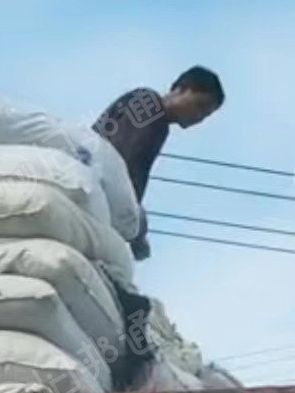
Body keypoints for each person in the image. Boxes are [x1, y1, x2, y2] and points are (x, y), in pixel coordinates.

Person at [93, 68, 225, 259]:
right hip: (99, 193)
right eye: (199, 105)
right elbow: (124, 163)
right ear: (180, 89)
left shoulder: (151, 113)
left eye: (206, 115)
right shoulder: (150, 106)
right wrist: (134, 224)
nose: (199, 117)